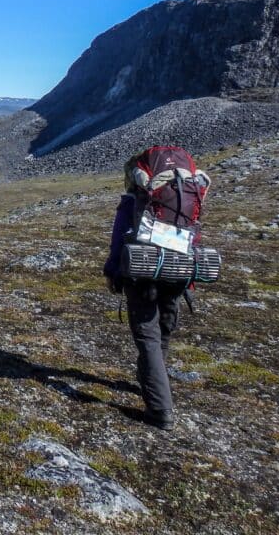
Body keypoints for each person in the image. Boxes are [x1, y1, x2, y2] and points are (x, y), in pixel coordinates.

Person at [102, 156, 183, 431]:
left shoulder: (134, 201)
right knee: (162, 330)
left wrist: (113, 272)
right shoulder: (182, 195)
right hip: (178, 271)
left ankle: (160, 409)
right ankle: (151, 385)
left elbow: (118, 240)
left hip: (142, 271)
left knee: (147, 334)